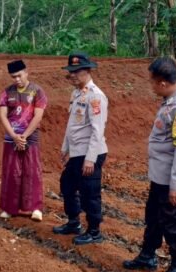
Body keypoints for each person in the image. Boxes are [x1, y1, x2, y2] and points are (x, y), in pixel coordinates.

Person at [123, 57, 176, 272]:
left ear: (163, 83)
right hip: (160, 175)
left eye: (152, 82)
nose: (151, 86)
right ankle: (148, 255)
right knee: (154, 217)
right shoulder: (171, 99)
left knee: (172, 222)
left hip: (172, 178)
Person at [52, 52, 109, 245]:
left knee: (89, 192)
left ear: (87, 71)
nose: (72, 75)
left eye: (76, 72)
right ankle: (73, 222)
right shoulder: (76, 93)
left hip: (90, 153)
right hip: (77, 152)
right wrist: (65, 147)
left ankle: (94, 231)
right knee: (67, 185)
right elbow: (72, 124)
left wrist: (90, 159)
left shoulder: (96, 97)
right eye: (70, 72)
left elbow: (97, 130)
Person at [0, 59, 48, 222]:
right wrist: (14, 136)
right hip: (11, 137)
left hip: (30, 137)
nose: (17, 79)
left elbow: (38, 115)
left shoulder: (37, 92)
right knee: (12, 172)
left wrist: (24, 136)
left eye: (19, 75)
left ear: (27, 72)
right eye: (13, 77)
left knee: (32, 171)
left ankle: (36, 208)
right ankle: (9, 208)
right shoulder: (7, 92)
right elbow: (3, 116)